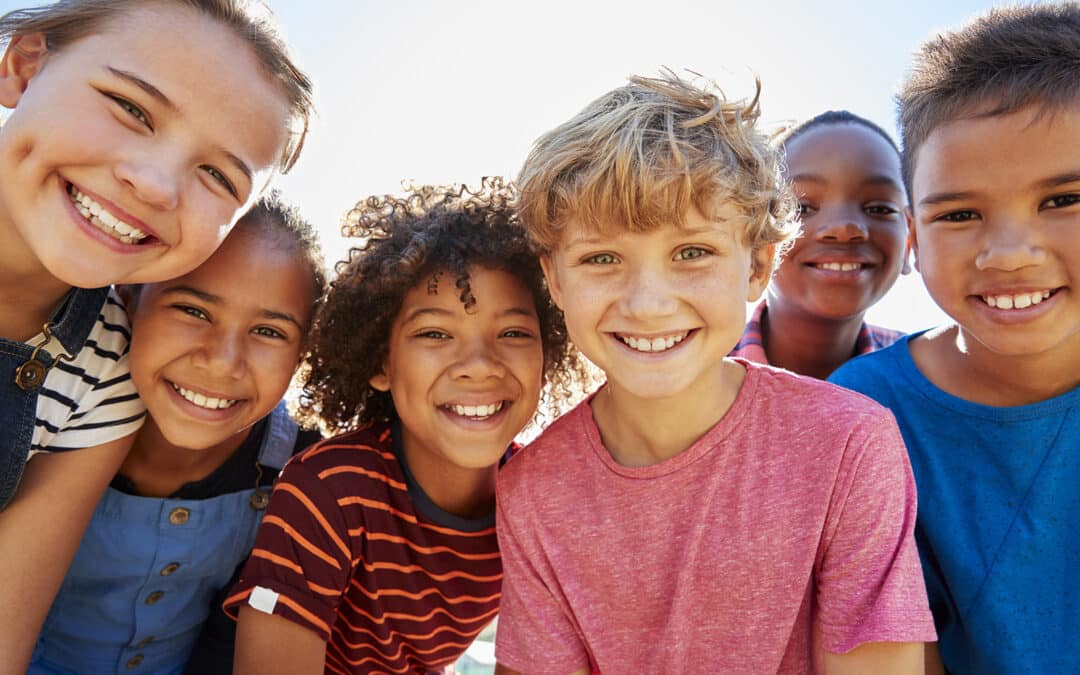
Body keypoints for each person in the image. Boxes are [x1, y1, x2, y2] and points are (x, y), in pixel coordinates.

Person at [494, 71, 936, 674]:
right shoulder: (531, 491)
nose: (648, 303)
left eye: (692, 252)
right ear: (554, 279)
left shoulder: (849, 443)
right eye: (602, 258)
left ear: (757, 265)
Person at [0, 0, 313, 667]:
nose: (153, 183)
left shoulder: (106, 372)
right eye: (131, 108)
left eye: (217, 175)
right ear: (23, 67)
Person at [224, 180, 585, 674]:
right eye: (435, 333)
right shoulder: (329, 491)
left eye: (513, 333)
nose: (479, 365)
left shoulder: (541, 504)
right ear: (382, 362)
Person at [828, 5, 1080, 673]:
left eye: (1063, 200)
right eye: (960, 213)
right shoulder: (860, 416)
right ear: (912, 237)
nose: (1009, 254)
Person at [26, 194, 325, 675]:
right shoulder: (46, 411)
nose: (223, 362)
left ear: (304, 351)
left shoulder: (303, 466)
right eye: (193, 310)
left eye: (269, 332)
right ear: (126, 297)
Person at [731, 110, 910, 378]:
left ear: (909, 242)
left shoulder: (935, 381)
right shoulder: (691, 375)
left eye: (879, 208)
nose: (844, 228)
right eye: (801, 207)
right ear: (757, 242)